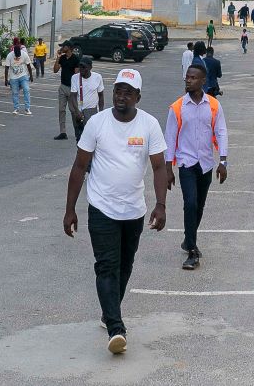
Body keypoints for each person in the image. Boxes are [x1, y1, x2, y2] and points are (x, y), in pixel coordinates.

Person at [63, 68, 169, 356]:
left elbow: (159, 167)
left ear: (138, 96)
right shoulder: (97, 124)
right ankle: (115, 327)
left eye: (128, 92)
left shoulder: (148, 125)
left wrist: (161, 205)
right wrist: (70, 209)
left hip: (133, 210)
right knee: (107, 266)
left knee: (125, 265)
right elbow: (79, 166)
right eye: (118, 90)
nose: (121, 96)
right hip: (101, 208)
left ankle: (109, 311)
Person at [165, 64, 228, 271]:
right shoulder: (177, 107)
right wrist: (168, 169)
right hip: (186, 163)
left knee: (199, 206)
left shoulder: (214, 105)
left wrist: (223, 161)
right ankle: (192, 251)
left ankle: (187, 239)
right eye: (187, 77)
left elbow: (221, 132)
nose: (188, 80)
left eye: (193, 78)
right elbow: (170, 137)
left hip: (206, 164)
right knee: (190, 203)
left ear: (203, 81)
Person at [71, 56, 106, 139]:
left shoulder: (97, 77)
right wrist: (77, 111)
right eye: (80, 66)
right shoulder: (75, 78)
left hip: (92, 111)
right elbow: (73, 96)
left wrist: (101, 112)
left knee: (92, 137)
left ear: (90, 67)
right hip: (80, 112)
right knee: (79, 137)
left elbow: (101, 96)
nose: (81, 69)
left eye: (84, 67)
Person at [55, 42, 79, 141]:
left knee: (73, 111)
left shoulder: (75, 59)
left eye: (63, 46)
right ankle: (62, 132)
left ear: (68, 48)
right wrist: (58, 57)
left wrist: (75, 89)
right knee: (61, 110)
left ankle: (77, 131)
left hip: (72, 88)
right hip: (63, 86)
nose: (62, 48)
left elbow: (77, 74)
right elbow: (55, 70)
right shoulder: (62, 58)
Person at [5, 36, 35, 116]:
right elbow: (7, 67)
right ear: (14, 51)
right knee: (15, 93)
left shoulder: (24, 54)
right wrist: (6, 79)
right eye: (16, 55)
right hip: (13, 77)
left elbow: (28, 65)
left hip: (23, 75)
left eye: (19, 56)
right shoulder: (10, 55)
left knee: (26, 89)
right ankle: (16, 108)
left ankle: (27, 108)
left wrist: (31, 76)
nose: (18, 57)